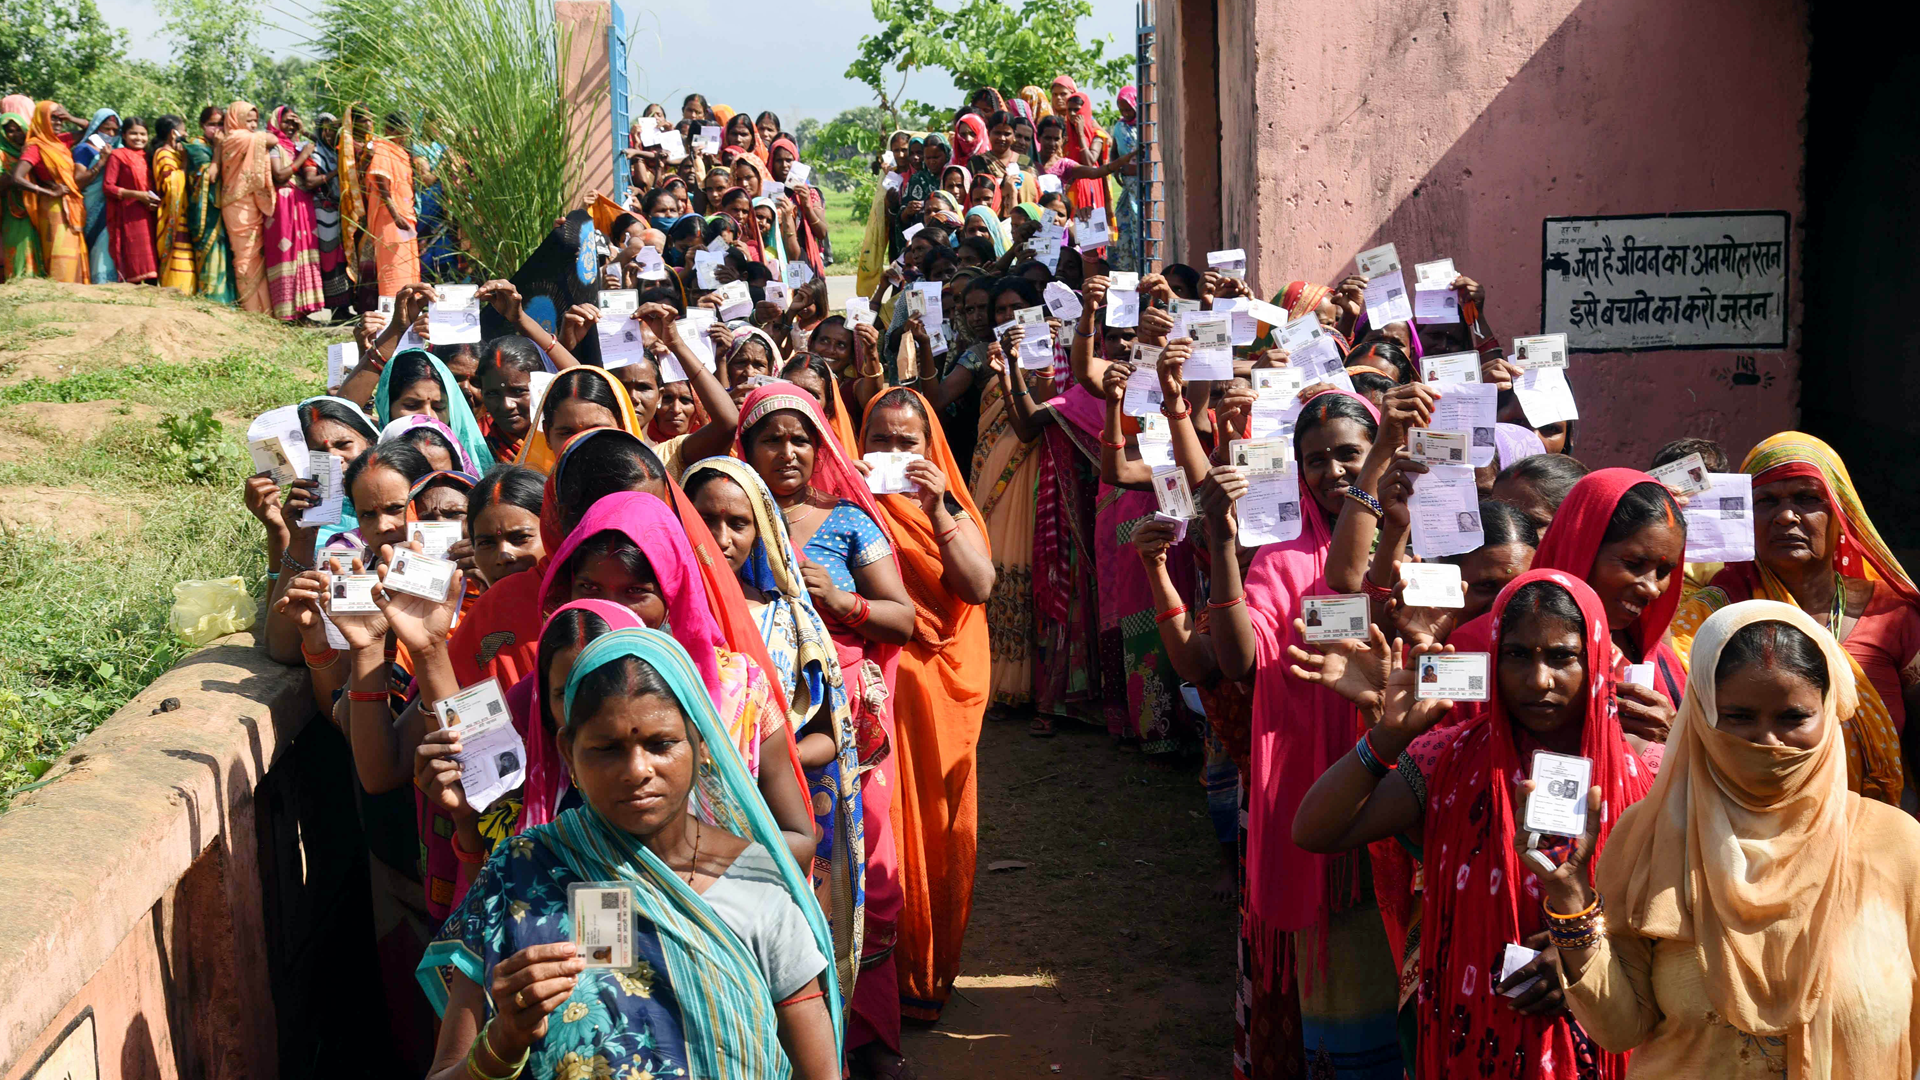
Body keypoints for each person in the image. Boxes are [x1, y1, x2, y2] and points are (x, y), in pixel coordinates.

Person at [416, 629, 840, 1080]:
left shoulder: (754, 882)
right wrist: (504, 1040)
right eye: (607, 749)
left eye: (660, 744)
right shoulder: (521, 874)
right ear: (568, 752)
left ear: (700, 744)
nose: (637, 772)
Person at [1289, 570, 1652, 1079]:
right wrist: (1387, 737)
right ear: (1493, 658)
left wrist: (1583, 948)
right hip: (1475, 1033)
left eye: (1562, 656)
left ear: (1594, 658)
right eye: (1517, 655)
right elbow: (1315, 831)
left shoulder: (1645, 772)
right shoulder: (1449, 758)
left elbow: (1679, 910)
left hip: (1604, 1029)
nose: (1538, 680)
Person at [1550, 601, 1920, 1076]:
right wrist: (1570, 900)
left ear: (1826, 713)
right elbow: (1621, 1029)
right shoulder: (1649, 837)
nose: (1767, 742)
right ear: (1701, 715)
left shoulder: (1895, 845)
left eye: (1792, 718)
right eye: (1740, 717)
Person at [736, 384, 912, 1075]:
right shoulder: (725, 517)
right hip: (754, 717)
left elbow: (905, 619)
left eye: (800, 438)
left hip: (846, 729)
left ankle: (862, 1028)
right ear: (745, 449)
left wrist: (841, 600)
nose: (787, 451)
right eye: (771, 438)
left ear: (820, 445)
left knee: (861, 861)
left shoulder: (848, 524)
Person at [682, 455, 871, 997]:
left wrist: (756, 760)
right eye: (704, 520)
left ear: (760, 528)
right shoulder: (661, 611)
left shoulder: (787, 616)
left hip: (772, 815)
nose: (720, 538)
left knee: (766, 966)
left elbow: (832, 733)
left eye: (737, 523)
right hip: (673, 812)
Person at [1670, 432, 1920, 807]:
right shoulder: (1713, 613)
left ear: (1841, 513)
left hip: (1871, 834)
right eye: (1766, 501)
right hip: (1747, 832)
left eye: (1807, 499)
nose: (1786, 516)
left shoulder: (1893, 614)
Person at [856, 387, 994, 1026]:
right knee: (881, 826)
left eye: (906, 443)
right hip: (878, 690)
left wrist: (936, 506)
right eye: (878, 440)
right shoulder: (845, 505)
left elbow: (978, 585)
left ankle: (927, 971)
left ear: (931, 449)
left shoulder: (952, 509)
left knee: (938, 824)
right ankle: (882, 973)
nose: (890, 453)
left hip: (941, 690)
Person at [220, 101, 294, 313]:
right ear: (235, 119)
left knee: (255, 255)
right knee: (245, 256)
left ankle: (264, 310)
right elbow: (271, 138)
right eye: (248, 120)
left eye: (255, 121)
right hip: (237, 205)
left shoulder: (239, 139)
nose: (252, 125)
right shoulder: (236, 137)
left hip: (248, 201)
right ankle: (252, 308)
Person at [13, 102, 93, 283]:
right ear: (42, 120)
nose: (58, 122)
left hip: (72, 203)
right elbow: (17, 177)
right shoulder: (36, 147)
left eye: (60, 118)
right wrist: (47, 192)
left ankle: (75, 293)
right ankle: (61, 291)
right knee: (60, 252)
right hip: (53, 207)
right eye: (53, 118)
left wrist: (70, 117)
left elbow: (90, 129)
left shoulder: (62, 141)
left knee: (73, 249)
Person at [265, 107, 326, 321]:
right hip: (283, 205)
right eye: (287, 122)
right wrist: (304, 156)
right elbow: (280, 175)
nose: (291, 127)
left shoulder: (296, 145)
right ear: (276, 121)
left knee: (303, 255)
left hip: (301, 203)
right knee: (287, 253)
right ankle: (287, 313)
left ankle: (303, 312)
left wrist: (304, 131)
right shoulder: (273, 145)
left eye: (295, 123)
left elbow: (320, 141)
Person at [365, 111, 421, 299]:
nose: (406, 136)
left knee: (408, 267)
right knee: (393, 266)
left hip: (406, 217)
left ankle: (410, 314)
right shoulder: (383, 150)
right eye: (403, 131)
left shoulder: (402, 152)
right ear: (390, 129)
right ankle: (394, 319)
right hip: (390, 219)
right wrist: (396, 215)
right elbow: (382, 185)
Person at [99, 116, 160, 284]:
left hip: (152, 214)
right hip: (130, 216)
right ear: (124, 135)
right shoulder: (118, 156)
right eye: (133, 133)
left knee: (155, 259)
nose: (139, 138)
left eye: (143, 134)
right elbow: (108, 187)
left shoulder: (151, 156)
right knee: (137, 261)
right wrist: (138, 195)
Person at [186, 106, 234, 303]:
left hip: (226, 208)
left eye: (221, 124)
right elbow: (210, 176)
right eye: (211, 124)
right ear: (202, 125)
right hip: (205, 212)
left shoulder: (228, 143)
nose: (217, 129)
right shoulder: (196, 145)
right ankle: (211, 300)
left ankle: (229, 301)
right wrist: (218, 149)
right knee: (211, 251)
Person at [147, 115, 195, 291]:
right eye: (183, 130)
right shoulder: (164, 154)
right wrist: (184, 165)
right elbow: (170, 186)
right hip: (171, 217)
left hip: (183, 214)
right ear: (172, 134)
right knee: (177, 258)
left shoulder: (174, 154)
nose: (186, 134)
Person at [72, 108, 117, 284]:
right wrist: (101, 162)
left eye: (114, 130)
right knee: (94, 242)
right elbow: (78, 181)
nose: (110, 134)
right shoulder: (84, 149)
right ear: (97, 127)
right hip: (91, 204)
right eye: (106, 129)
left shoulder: (115, 148)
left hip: (109, 205)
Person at [0, 96, 42, 280]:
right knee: (16, 242)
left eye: (19, 130)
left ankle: (34, 279)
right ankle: (17, 280)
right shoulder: (2, 153)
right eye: (10, 131)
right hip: (10, 208)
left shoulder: (30, 149)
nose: (15, 135)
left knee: (34, 243)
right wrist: (16, 176)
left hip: (33, 206)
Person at [1109, 87, 1141, 272]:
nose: (1126, 113)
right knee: (1123, 228)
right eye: (1122, 110)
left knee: (1139, 231)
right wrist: (1115, 167)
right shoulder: (1120, 127)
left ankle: (1141, 269)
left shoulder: (1144, 128)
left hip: (1140, 188)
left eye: (1128, 109)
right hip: (1127, 186)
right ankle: (1126, 270)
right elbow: (1114, 149)